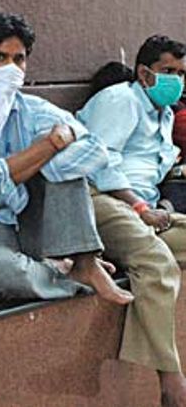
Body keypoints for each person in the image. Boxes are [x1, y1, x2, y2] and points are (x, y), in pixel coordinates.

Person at [0, 12, 133, 305]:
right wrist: (50, 144)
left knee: (67, 166)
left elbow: (96, 150)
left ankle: (85, 263)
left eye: (18, 59)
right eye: (0, 57)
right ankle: (60, 272)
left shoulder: (31, 108)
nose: (10, 69)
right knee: (10, 276)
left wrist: (60, 145)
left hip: (26, 225)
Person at [77, 35, 186, 407]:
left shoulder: (164, 113)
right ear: (144, 73)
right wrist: (140, 208)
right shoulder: (120, 100)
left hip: (142, 210)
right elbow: (98, 162)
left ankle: (156, 357)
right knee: (156, 262)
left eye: (182, 73)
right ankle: (171, 382)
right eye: (168, 71)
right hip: (95, 199)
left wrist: (158, 206)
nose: (177, 80)